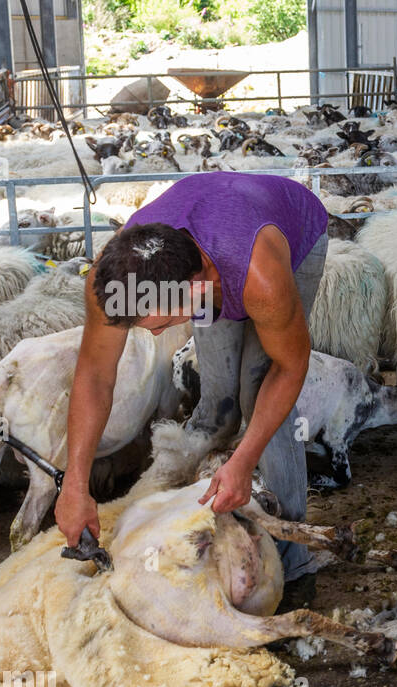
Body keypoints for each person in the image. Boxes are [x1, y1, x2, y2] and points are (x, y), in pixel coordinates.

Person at [55, 171, 329, 597]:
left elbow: (290, 367)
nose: (160, 334)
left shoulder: (262, 279)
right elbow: (94, 375)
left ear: (196, 287)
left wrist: (244, 458)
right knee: (218, 396)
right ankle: (208, 503)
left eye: (163, 322)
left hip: (286, 232)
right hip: (212, 244)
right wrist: (75, 484)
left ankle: (294, 559)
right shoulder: (112, 279)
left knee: (257, 387)